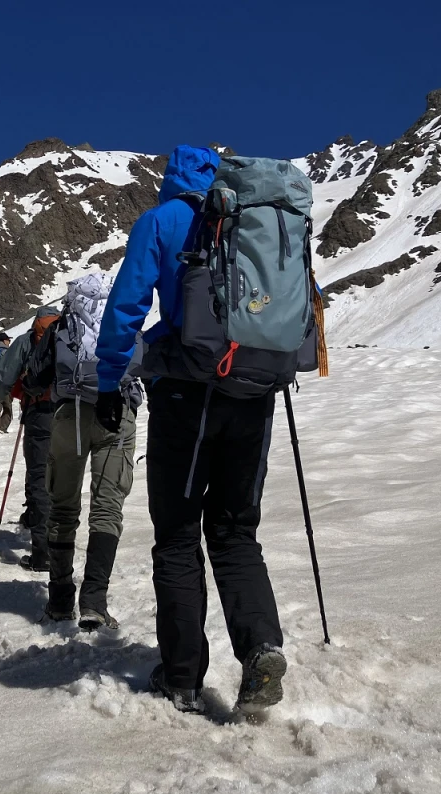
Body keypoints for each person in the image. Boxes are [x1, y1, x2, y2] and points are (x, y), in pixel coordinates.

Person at [95, 145, 287, 714]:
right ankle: (261, 652)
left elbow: (127, 304)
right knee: (235, 531)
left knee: (178, 534)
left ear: (170, 177)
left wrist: (110, 383)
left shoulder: (164, 220)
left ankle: (181, 676)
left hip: (187, 395)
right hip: (253, 393)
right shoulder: (258, 220)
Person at [23, 273, 142, 631]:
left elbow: (36, 377)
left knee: (63, 506)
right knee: (107, 508)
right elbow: (141, 363)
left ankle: (60, 600)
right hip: (116, 414)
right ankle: (94, 603)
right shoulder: (121, 318)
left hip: (67, 417)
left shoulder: (62, 325)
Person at [0, 308, 59, 571]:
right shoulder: (71, 334)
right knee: (64, 479)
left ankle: (43, 554)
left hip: (39, 414)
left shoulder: (28, 339)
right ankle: (61, 546)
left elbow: (5, 377)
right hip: (72, 413)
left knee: (39, 478)